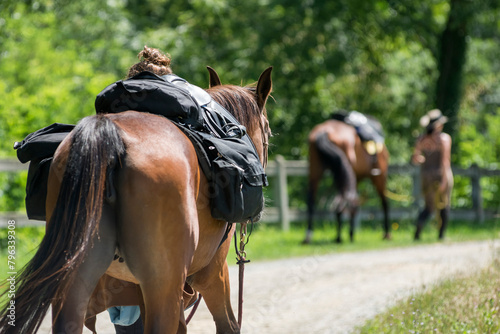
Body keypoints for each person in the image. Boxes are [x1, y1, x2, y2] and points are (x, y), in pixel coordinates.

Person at [411, 109, 453, 240]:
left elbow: (415, 158)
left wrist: (423, 159)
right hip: (440, 175)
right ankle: (441, 235)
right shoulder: (444, 139)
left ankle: (418, 230)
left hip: (426, 176)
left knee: (428, 206)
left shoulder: (422, 139)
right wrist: (444, 181)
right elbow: (445, 162)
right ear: (438, 125)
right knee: (444, 204)